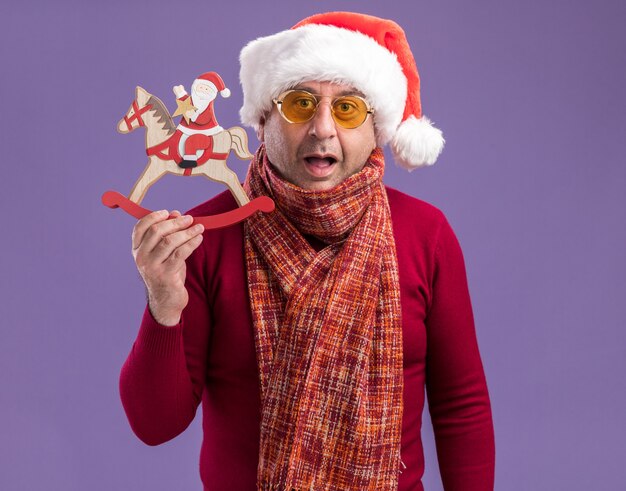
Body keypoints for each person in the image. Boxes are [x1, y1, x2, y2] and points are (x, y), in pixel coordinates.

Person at [120, 11, 495, 491]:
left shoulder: (426, 233)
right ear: (262, 120)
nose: (322, 129)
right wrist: (163, 306)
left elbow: (461, 405)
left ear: (375, 127)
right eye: (300, 104)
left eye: (347, 109)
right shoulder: (204, 236)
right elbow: (154, 425)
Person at [173, 72, 231, 167]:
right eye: (201, 87)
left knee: (192, 141)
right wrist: (180, 93)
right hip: (185, 128)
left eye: (207, 89)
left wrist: (193, 116)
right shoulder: (193, 100)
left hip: (205, 131)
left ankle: (190, 160)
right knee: (175, 136)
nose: (203, 91)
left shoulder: (207, 106)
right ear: (195, 87)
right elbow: (185, 103)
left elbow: (204, 119)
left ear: (212, 93)